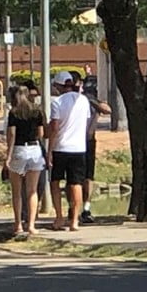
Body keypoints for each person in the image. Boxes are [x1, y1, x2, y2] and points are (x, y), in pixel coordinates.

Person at [47, 71, 91, 231]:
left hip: (60, 147)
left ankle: (59, 217)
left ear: (58, 86)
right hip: (79, 148)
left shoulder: (57, 102)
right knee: (76, 183)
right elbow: (86, 124)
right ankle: (74, 220)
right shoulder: (83, 100)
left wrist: (49, 150)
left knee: (55, 182)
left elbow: (54, 128)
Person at [5, 86, 46, 235]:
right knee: (32, 190)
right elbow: (41, 133)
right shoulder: (37, 111)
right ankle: (31, 225)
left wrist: (8, 156)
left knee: (16, 192)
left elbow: (11, 134)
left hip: (19, 149)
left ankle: (18, 225)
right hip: (35, 149)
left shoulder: (14, 113)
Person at [76, 72, 111, 224]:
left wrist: (92, 100)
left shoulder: (92, 101)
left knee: (88, 177)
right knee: (75, 178)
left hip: (89, 142)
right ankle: (74, 208)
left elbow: (107, 109)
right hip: (75, 142)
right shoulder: (74, 99)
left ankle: (86, 208)